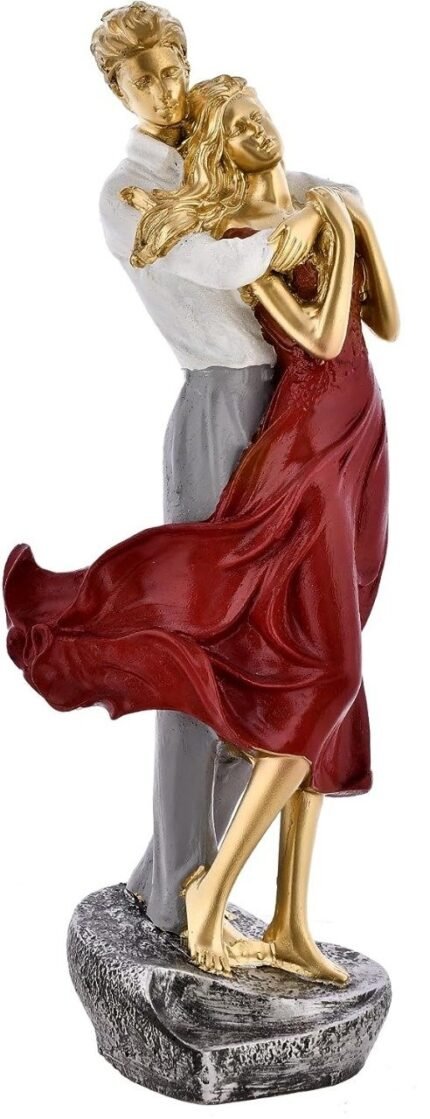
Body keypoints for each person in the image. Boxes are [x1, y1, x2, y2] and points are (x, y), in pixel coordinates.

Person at [91, 6, 357, 936]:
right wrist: (313, 221)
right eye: (143, 78)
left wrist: (328, 201)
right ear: (117, 90)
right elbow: (225, 258)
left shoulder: (209, 148)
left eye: (173, 69)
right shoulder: (125, 193)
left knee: (274, 649)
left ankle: (171, 863)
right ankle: (174, 887)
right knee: (198, 652)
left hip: (290, 409)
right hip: (219, 407)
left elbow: (311, 184)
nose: (165, 90)